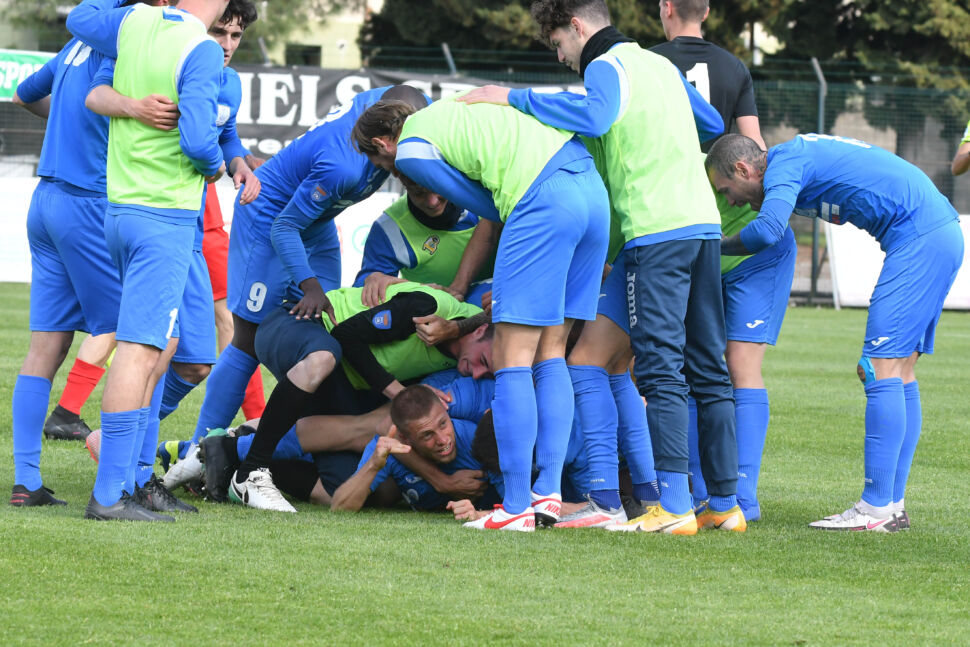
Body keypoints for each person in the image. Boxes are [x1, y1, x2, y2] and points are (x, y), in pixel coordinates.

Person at [459, 0, 740, 535]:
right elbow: (709, 121)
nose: (564, 58)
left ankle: (674, 507)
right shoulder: (659, 64)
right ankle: (724, 505)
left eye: (560, 44)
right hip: (702, 225)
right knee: (706, 365)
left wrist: (514, 98)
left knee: (658, 369)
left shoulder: (606, 66)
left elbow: (596, 115)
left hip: (656, 230)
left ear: (577, 26)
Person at [353, 92, 611, 533]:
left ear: (383, 142)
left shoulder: (413, 150)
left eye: (380, 164)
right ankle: (547, 493)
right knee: (552, 353)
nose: (389, 174)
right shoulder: (459, 108)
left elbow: (483, 206)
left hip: (541, 201)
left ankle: (516, 503)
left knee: (512, 360)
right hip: (590, 192)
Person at [706, 132, 964, 531]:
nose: (730, 201)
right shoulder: (793, 159)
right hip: (935, 231)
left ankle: (875, 507)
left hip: (920, 236)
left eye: (728, 189)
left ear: (744, 168)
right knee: (900, 370)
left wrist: (710, 246)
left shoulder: (785, 163)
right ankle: (891, 505)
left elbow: (768, 230)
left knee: (878, 367)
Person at [182, 84, 429, 473]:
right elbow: (285, 227)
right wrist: (309, 284)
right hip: (272, 220)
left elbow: (407, 93)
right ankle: (197, 452)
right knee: (247, 340)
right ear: (384, 143)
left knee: (324, 336)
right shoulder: (344, 164)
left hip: (315, 222)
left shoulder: (405, 108)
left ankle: (302, 446)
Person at [66, 0, 229, 521]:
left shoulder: (133, 23)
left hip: (122, 209)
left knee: (162, 350)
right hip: (164, 217)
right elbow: (200, 140)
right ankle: (111, 493)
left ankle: (131, 481)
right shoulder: (199, 47)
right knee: (140, 353)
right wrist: (217, 165)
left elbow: (80, 21)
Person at [8, 0, 167, 507]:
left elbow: (24, 95)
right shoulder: (122, 47)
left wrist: (67, 125)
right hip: (89, 204)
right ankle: (128, 481)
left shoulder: (76, 44)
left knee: (45, 349)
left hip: (46, 200)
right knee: (154, 338)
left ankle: (27, 482)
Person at [222, 282, 493, 511]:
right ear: (478, 331)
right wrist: (401, 393)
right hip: (306, 323)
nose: (478, 373)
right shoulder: (427, 309)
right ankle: (241, 461)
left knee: (355, 487)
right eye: (482, 360)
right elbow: (345, 335)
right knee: (326, 365)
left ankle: (236, 446)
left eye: (487, 369)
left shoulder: (461, 361)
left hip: (350, 378)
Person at [354, 176, 494, 309]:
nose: (432, 202)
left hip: (498, 299)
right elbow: (363, 292)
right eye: (418, 193)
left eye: (436, 187)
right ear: (402, 180)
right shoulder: (390, 229)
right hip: (436, 316)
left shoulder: (485, 193)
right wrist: (377, 280)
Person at [651, 0, 766, 151]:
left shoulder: (646, 61)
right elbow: (754, 142)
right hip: (714, 174)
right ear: (705, 13)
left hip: (665, 173)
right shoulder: (735, 67)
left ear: (668, 8)